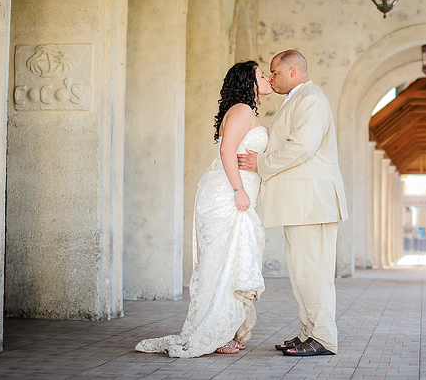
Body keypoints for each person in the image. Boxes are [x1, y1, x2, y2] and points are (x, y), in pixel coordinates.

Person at [135, 61, 272, 358]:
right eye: (262, 75)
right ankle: (215, 332)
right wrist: (238, 190)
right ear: (249, 82)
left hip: (235, 192)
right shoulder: (242, 110)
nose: (267, 78)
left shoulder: (245, 111)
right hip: (227, 194)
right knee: (222, 264)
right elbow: (226, 151)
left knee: (230, 262)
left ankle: (225, 330)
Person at [238, 49, 348, 357]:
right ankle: (307, 333)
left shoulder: (312, 99)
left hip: (311, 202)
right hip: (301, 203)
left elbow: (302, 146)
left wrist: (262, 163)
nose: (271, 79)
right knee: (302, 273)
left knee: (313, 272)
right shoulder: (299, 99)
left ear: (292, 72)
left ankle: (323, 338)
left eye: (274, 72)